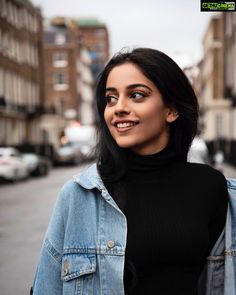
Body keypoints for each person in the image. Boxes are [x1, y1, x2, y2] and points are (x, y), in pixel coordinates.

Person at [31, 48, 234, 295]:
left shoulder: (211, 187)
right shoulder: (80, 196)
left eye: (136, 95)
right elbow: (45, 288)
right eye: (111, 98)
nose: (118, 108)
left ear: (171, 110)